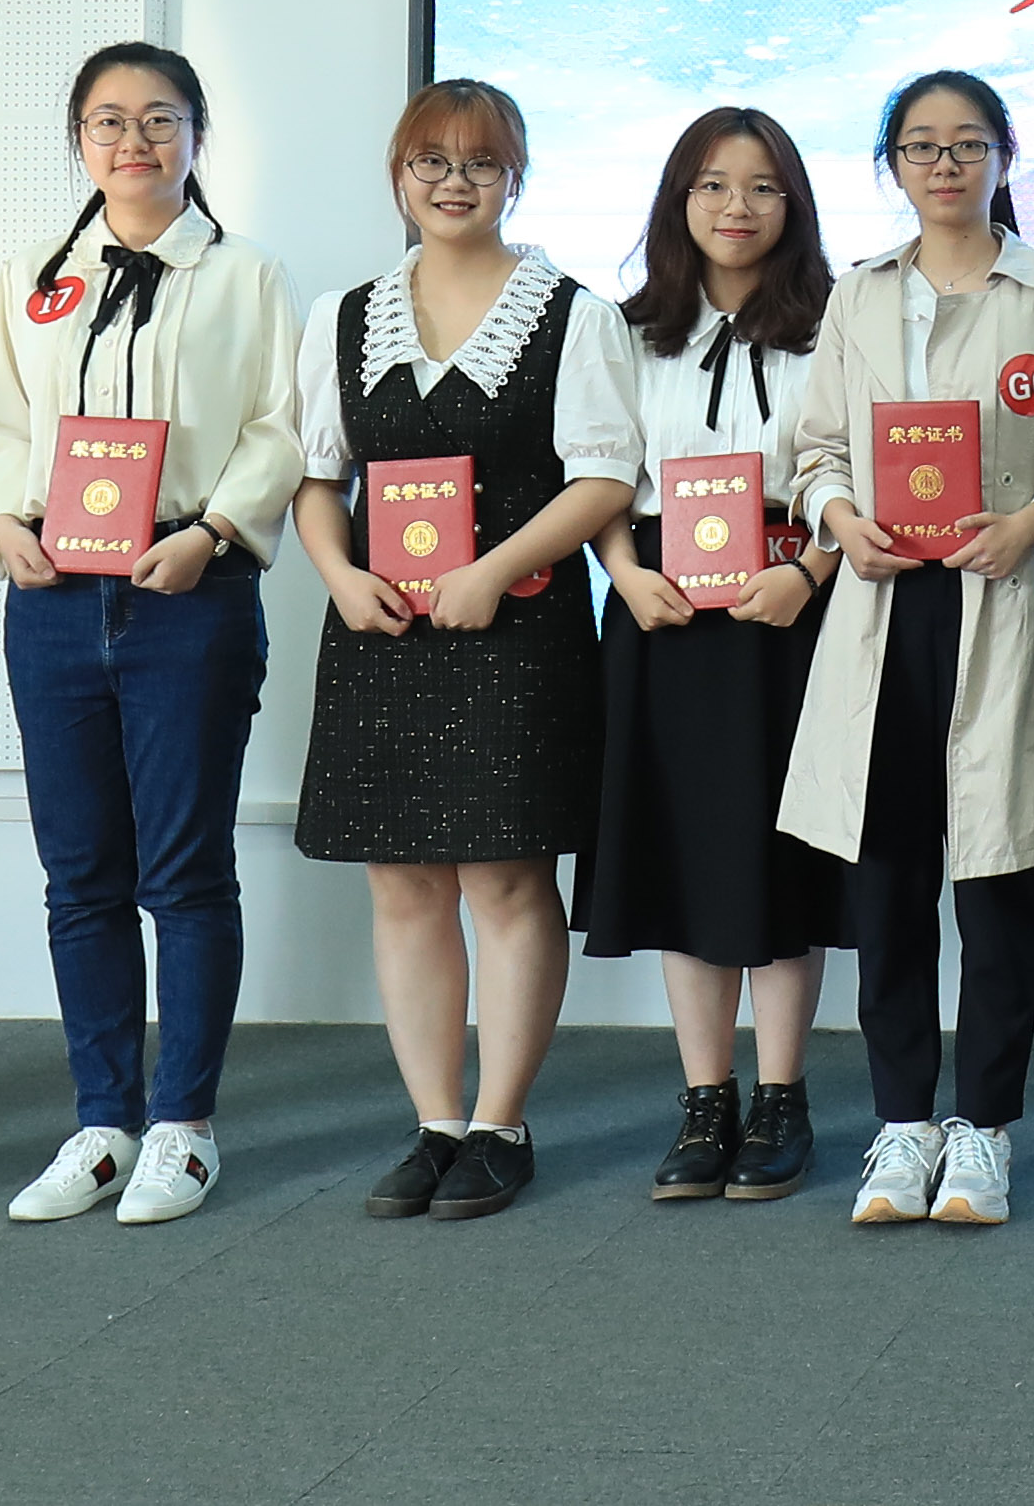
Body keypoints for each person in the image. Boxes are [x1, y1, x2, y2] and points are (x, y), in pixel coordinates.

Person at [292, 78, 642, 1224]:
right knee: (403, 881)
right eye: (430, 161)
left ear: (514, 179)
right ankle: (435, 1120)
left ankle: (501, 1122)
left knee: (505, 875)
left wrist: (493, 568)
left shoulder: (573, 314)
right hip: (384, 630)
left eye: (481, 163)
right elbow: (317, 478)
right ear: (398, 176)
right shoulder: (344, 314)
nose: (454, 182)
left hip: (517, 625)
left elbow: (604, 475)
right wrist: (339, 573)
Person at [0, 40, 303, 1230]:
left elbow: (281, 425)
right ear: (79, 139)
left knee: (185, 870)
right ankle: (102, 1122)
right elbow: (3, 421)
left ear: (198, 135)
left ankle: (183, 1126)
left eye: (160, 118)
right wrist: (1, 517)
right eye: (108, 120)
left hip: (185, 590)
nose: (134, 140)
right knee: (81, 876)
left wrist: (213, 531)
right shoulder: (32, 274)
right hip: (55, 597)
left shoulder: (247, 275)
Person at [783, 70, 1034, 1233]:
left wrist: (1032, 522)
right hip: (883, 610)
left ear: (1004, 157)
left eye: (969, 144)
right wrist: (838, 518)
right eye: (922, 146)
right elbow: (816, 449)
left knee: (999, 880)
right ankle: (902, 1121)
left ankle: (985, 1127)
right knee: (887, 885)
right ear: (893, 165)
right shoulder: (859, 295)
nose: (946, 164)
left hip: (1001, 601)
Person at [582, 107, 850, 1204]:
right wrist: (621, 570)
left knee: (784, 856)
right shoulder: (621, 329)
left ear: (793, 204)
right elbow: (596, 470)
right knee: (681, 852)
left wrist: (811, 573)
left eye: (761, 187)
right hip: (662, 612)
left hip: (789, 604)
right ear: (677, 201)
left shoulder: (836, 324)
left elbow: (856, 472)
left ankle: (782, 1097)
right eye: (712, 185)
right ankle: (705, 1100)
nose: (736, 207)